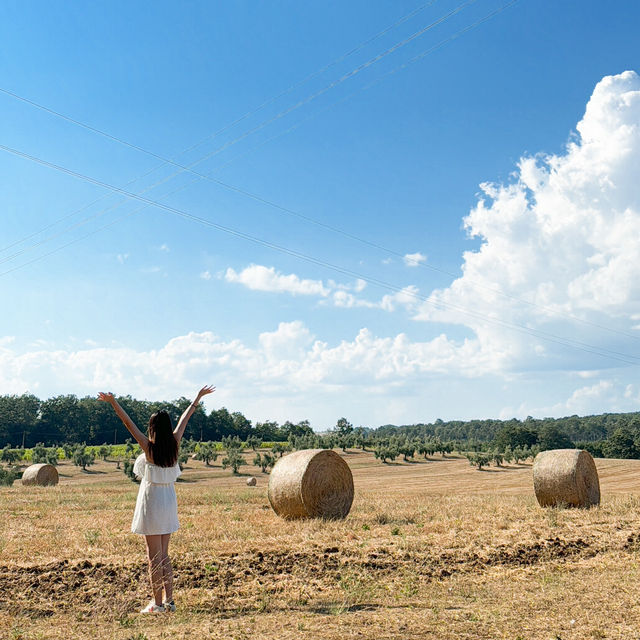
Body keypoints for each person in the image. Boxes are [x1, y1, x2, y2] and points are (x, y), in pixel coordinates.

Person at [98, 385, 215, 613]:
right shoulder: (175, 444)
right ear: (168, 428)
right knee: (165, 555)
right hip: (168, 501)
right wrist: (198, 397)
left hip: (152, 502)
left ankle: (158, 604)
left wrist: (113, 403)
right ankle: (169, 601)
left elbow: (128, 424)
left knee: (154, 558)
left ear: (152, 428)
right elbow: (186, 417)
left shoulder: (149, 448)